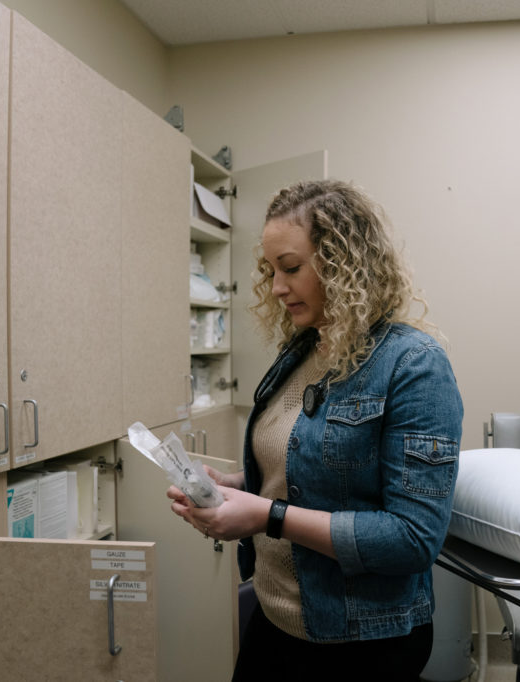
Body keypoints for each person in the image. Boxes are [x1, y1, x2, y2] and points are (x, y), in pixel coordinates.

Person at [168, 179, 463, 682]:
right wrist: (237, 487)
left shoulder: (414, 365)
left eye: (291, 268)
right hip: (276, 616)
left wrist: (268, 516)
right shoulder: (301, 353)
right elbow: (300, 467)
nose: (278, 288)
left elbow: (413, 538)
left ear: (345, 262)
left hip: (363, 639)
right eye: (271, 271)